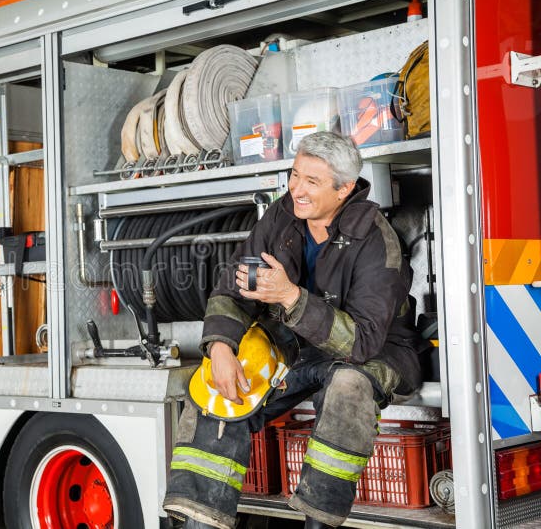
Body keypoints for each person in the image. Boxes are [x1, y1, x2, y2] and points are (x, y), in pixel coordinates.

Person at [163, 131, 426, 528]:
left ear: (344, 189)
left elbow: (363, 342)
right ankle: (199, 519)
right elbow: (233, 289)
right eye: (295, 174)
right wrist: (219, 346)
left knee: (347, 388)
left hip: (378, 352)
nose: (296, 189)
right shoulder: (282, 215)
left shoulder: (377, 241)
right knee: (212, 384)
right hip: (297, 348)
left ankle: (317, 521)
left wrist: (290, 297)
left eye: (311, 181)